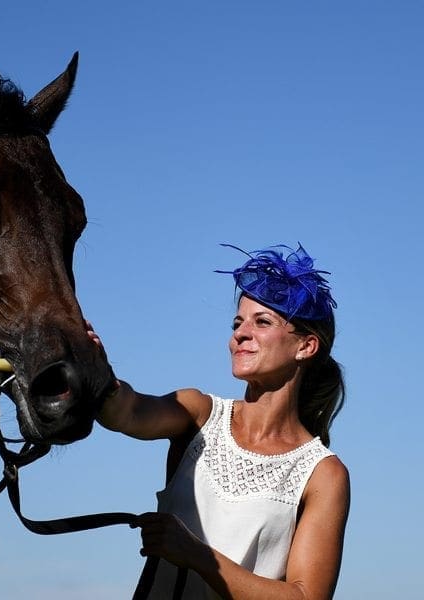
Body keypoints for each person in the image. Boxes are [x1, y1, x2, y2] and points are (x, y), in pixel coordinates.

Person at [89, 244, 350, 600]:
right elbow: (126, 413)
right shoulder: (199, 414)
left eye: (262, 322)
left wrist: (196, 555)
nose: (240, 334)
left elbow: (306, 597)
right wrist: (95, 370)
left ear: (305, 346)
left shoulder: (323, 473)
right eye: (237, 322)